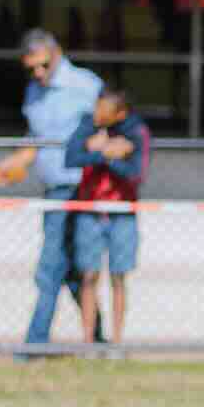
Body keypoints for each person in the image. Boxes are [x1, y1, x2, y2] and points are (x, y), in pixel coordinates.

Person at [0, 30, 105, 352]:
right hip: (53, 189)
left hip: (81, 189)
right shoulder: (33, 92)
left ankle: (35, 345)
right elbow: (35, 142)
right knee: (68, 269)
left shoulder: (87, 85)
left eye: (43, 66)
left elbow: (109, 130)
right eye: (31, 69)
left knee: (52, 265)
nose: (38, 74)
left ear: (57, 53)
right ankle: (97, 339)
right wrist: (7, 168)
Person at [63, 88, 150, 350]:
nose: (96, 115)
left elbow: (136, 174)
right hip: (90, 211)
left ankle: (117, 342)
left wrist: (108, 158)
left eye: (104, 111)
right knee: (88, 276)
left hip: (122, 213)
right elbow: (72, 157)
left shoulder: (138, 132)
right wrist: (105, 153)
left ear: (120, 113)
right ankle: (88, 342)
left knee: (118, 278)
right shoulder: (88, 125)